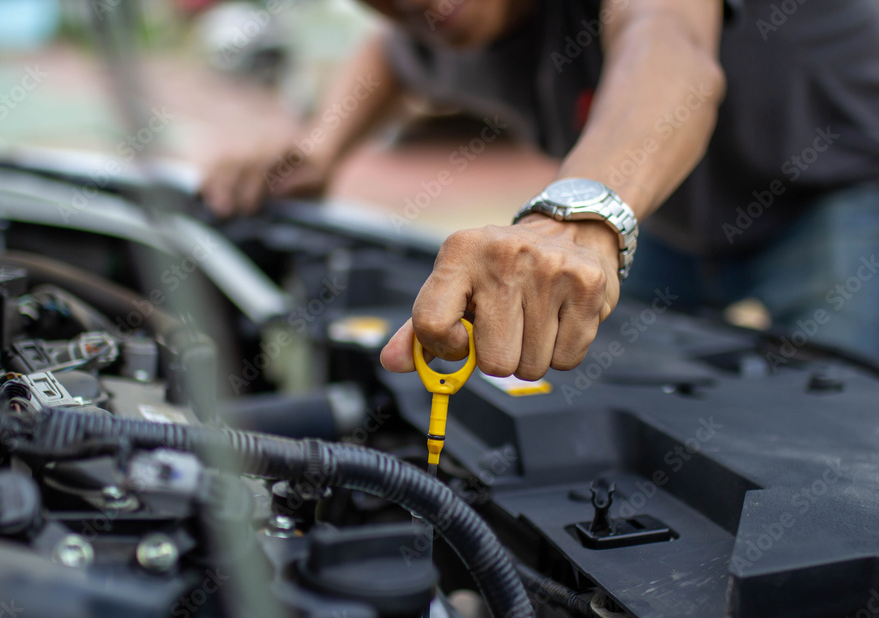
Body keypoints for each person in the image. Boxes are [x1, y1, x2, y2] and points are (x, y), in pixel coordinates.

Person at [202, 0, 879, 379]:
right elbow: (389, 56)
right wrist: (321, 147)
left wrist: (578, 215)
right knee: (605, 402)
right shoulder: (437, 19)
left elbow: (666, 42)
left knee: (834, 434)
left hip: (836, 196)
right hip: (665, 224)